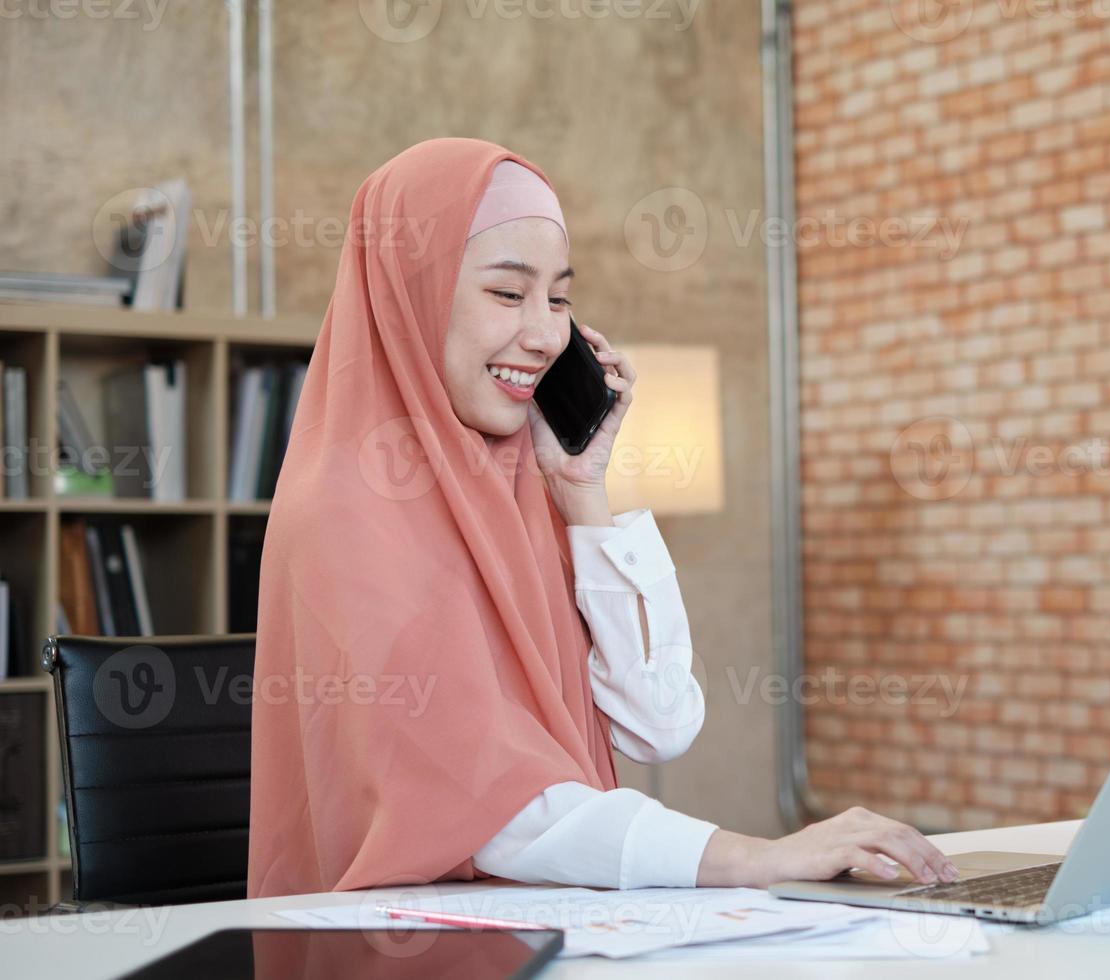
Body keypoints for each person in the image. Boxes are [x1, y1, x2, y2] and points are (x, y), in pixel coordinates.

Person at [246, 137, 958, 899]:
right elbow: (492, 807)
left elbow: (659, 722)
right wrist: (754, 856)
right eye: (507, 294)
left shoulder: (518, 482)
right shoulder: (345, 510)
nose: (548, 335)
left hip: (541, 930)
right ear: (411, 297)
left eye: (558, 298)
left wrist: (584, 493)